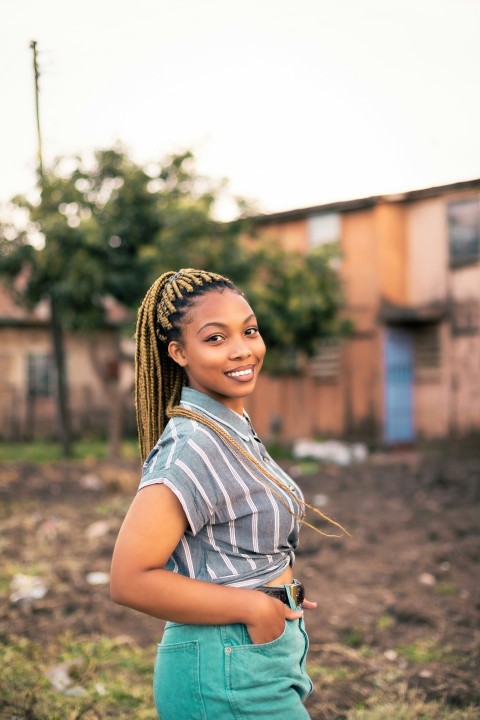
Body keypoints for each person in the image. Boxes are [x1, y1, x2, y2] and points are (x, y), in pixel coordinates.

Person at [110, 268, 344, 720]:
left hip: (253, 657)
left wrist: (277, 588)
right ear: (178, 352)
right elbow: (128, 578)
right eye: (215, 338)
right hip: (225, 667)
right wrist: (256, 605)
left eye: (250, 331)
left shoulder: (231, 430)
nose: (243, 349)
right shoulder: (193, 445)